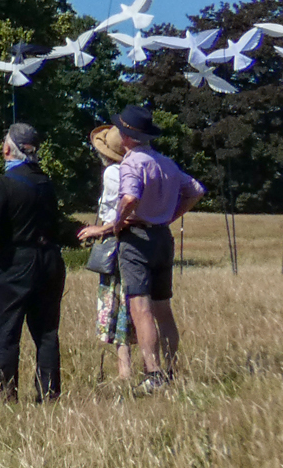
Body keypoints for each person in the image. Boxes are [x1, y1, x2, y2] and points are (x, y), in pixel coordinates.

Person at [93, 105, 204, 391]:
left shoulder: (132, 162)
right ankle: (171, 370)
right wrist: (170, 215)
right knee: (163, 308)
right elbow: (195, 190)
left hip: (137, 239)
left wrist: (118, 223)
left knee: (140, 308)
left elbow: (130, 198)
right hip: (163, 237)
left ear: (127, 137)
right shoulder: (166, 163)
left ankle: (153, 374)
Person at [0, 122, 65, 402]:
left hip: (15, 264)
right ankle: (49, 395)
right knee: (46, 332)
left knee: (5, 333)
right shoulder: (46, 182)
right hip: (49, 261)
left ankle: (6, 395)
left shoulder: (3, 184)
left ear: (8, 149)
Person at [77, 125, 137, 384]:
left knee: (119, 304)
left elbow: (115, 211)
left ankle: (124, 370)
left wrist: (99, 229)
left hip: (116, 240)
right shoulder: (137, 169)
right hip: (136, 241)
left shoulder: (113, 172)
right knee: (132, 303)